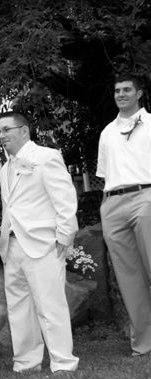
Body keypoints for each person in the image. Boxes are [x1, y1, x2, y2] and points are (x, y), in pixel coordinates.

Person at [0, 111, 79, 374]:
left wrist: (64, 236)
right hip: (12, 245)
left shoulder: (46, 157)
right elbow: (9, 207)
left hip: (42, 243)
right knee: (19, 307)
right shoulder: (5, 168)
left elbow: (64, 199)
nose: (1, 136)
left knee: (50, 306)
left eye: (6, 130)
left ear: (24, 131)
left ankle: (63, 363)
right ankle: (26, 362)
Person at [97, 73, 151, 357]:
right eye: (117, 90)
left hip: (146, 196)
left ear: (139, 93)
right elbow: (105, 173)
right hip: (112, 202)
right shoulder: (107, 132)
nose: (121, 94)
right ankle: (144, 343)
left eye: (127, 89)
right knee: (129, 278)